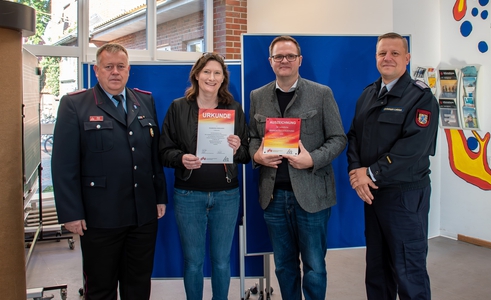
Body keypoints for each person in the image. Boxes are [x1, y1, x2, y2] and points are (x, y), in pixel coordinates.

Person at [52, 43, 167, 300]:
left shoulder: (144, 101)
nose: (115, 72)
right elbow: (64, 165)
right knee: (101, 288)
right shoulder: (75, 105)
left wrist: (159, 196)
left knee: (138, 285)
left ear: (128, 70)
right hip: (99, 218)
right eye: (108, 67)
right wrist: (71, 213)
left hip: (141, 214)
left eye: (121, 66)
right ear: (96, 70)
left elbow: (152, 156)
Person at [248, 35, 347, 300]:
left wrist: (312, 159)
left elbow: (339, 139)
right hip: (274, 196)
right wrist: (256, 155)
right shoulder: (257, 96)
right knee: (284, 266)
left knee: (314, 266)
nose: (284, 61)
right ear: (270, 62)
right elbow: (252, 137)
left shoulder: (321, 93)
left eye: (290, 56)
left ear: (299, 60)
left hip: (312, 196)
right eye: (278, 56)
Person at [346, 32, 439, 300]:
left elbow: (413, 149)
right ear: (375, 57)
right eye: (382, 53)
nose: (387, 58)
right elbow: (354, 136)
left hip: (405, 196)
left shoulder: (420, 98)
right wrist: (357, 174)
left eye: (395, 53)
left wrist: (370, 173)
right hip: (373, 194)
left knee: (409, 271)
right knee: (377, 270)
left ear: (407, 58)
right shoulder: (368, 94)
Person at [159, 52, 250, 300]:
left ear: (223, 79)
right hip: (188, 195)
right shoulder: (178, 107)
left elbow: (246, 154)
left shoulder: (233, 108)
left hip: (227, 195)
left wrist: (237, 147)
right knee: (193, 262)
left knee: (222, 261)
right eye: (207, 72)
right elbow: (164, 151)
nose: (211, 77)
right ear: (197, 75)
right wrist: (181, 159)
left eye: (217, 73)